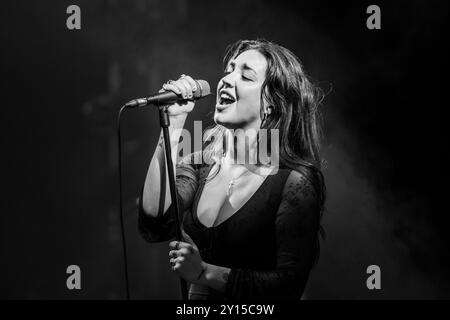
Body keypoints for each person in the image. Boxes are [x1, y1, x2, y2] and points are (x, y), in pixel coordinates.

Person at [138, 39, 326, 300]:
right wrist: (174, 122)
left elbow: (289, 285)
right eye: (229, 70)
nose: (226, 79)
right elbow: (154, 223)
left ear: (270, 103)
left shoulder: (293, 182)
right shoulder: (199, 164)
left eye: (245, 75)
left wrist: (204, 273)